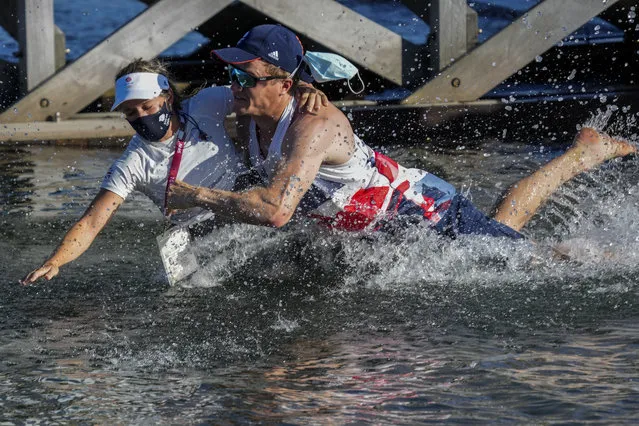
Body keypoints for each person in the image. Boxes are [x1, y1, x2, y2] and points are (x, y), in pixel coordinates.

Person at [167, 24, 636, 239]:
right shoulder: (252, 111)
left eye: (245, 77)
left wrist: (194, 196)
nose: (234, 86)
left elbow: (275, 211)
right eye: (232, 75)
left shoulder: (313, 125)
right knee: (502, 224)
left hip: (422, 213)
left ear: (282, 84)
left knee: (530, 263)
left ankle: (599, 225)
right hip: (381, 229)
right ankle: (584, 152)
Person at [21, 58, 328, 285]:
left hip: (241, 201)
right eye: (131, 112)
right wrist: (55, 261)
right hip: (192, 232)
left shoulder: (205, 104)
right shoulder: (133, 163)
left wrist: (302, 86)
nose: (141, 116)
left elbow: (257, 92)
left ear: (167, 98)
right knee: (183, 299)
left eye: (148, 106)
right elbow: (91, 221)